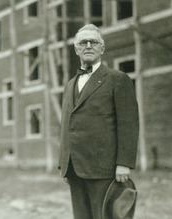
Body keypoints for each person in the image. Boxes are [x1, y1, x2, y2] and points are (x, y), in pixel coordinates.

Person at [58, 24, 139, 219]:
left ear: (102, 48)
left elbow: (128, 123)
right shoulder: (70, 85)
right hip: (75, 169)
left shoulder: (118, 79)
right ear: (76, 49)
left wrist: (124, 163)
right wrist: (65, 163)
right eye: (82, 43)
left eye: (93, 42)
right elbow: (67, 124)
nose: (88, 46)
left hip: (104, 168)